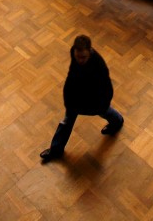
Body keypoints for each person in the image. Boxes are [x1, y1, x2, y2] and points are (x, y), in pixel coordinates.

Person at [40, 35, 124, 163]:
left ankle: (117, 121)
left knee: (104, 111)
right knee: (67, 121)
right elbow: (72, 74)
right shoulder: (75, 54)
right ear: (74, 51)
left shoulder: (99, 66)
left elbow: (106, 88)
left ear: (89, 52)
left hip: (96, 99)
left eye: (83, 57)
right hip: (77, 98)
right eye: (78, 56)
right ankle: (56, 150)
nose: (80, 60)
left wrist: (101, 104)